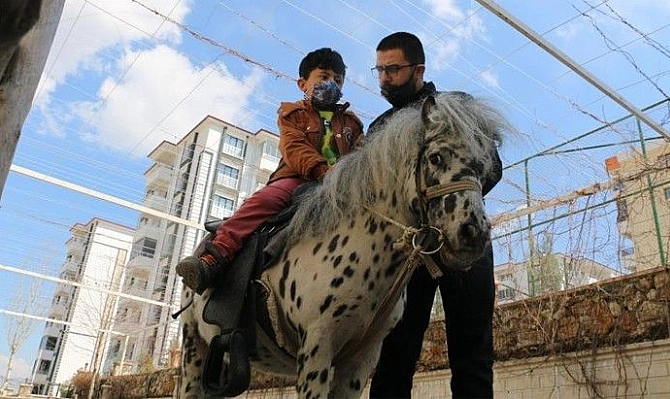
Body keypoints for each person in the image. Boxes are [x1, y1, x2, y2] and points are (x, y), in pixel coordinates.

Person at [368, 32, 502, 398]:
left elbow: (491, 167)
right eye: (379, 70)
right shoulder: (378, 129)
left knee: (473, 355)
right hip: (405, 253)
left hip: (465, 236)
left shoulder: (457, 106)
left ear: (419, 69)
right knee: (393, 356)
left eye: (392, 69)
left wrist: (448, 207)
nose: (383, 78)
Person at [176, 47, 364, 294]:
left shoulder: (352, 123)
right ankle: (215, 257)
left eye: (338, 80)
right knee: (262, 201)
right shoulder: (292, 114)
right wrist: (322, 171)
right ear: (302, 83)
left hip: (342, 186)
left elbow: (362, 154)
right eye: (324, 77)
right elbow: (294, 147)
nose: (331, 84)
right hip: (298, 178)